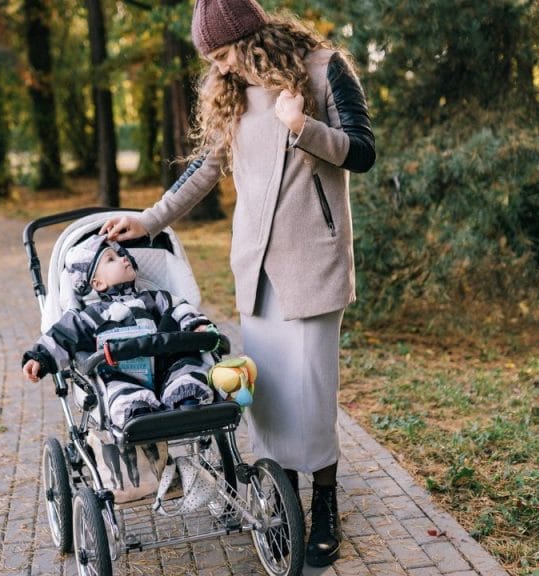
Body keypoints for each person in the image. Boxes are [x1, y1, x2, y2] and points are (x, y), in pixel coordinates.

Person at [100, 0, 375, 567]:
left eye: (224, 54)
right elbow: (203, 170)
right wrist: (148, 220)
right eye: (213, 59)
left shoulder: (324, 70)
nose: (220, 68)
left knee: (314, 389)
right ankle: (282, 499)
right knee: (266, 389)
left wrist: (302, 127)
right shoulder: (230, 92)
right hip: (257, 265)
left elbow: (363, 152)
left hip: (313, 260)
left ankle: (324, 501)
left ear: (253, 38)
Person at [21, 234, 217, 429]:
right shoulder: (93, 315)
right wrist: (40, 357)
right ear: (98, 283)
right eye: (111, 259)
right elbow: (64, 335)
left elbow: (182, 310)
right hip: (124, 374)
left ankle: (187, 399)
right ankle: (139, 413)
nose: (124, 258)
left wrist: (197, 326)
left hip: (167, 365)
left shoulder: (155, 298)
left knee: (187, 368)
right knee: (120, 391)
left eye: (121, 255)